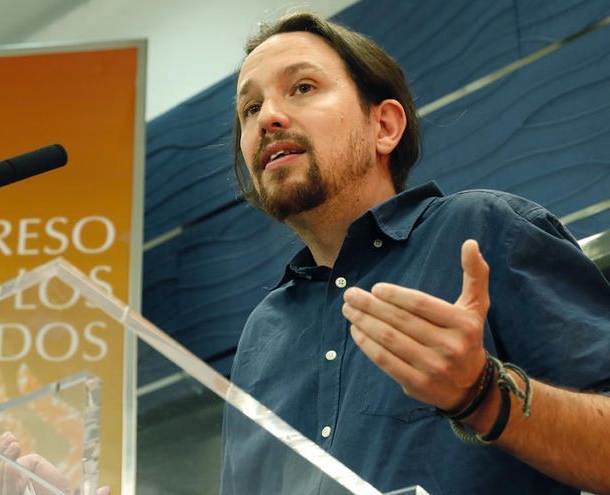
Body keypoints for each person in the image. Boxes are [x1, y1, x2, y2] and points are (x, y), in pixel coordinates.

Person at [222, 11, 610, 495]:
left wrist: (483, 394)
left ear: (383, 125)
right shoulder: (262, 334)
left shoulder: (485, 231)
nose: (269, 118)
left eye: (302, 87)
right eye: (250, 108)